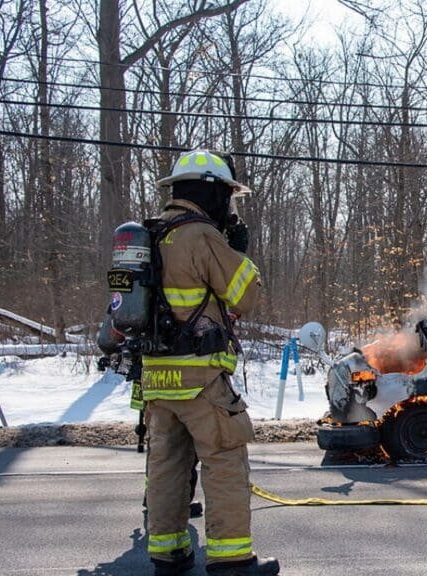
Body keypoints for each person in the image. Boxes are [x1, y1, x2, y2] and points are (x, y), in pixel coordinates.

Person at [142, 149, 278, 576]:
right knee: (224, 462)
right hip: (200, 379)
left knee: (167, 466)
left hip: (156, 379)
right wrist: (239, 252)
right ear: (211, 192)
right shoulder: (200, 235)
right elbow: (246, 296)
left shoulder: (151, 234)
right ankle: (231, 559)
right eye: (228, 197)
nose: (230, 207)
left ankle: (168, 552)